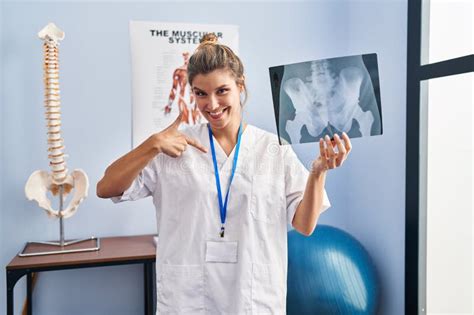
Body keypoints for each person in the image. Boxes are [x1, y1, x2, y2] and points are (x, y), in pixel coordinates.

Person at [97, 33, 352, 314]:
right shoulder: (172, 147)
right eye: (200, 93)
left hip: (252, 299)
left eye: (222, 91)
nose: (212, 105)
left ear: (240, 86)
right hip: (189, 300)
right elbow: (106, 187)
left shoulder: (274, 149)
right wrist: (152, 144)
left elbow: (304, 225)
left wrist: (318, 172)